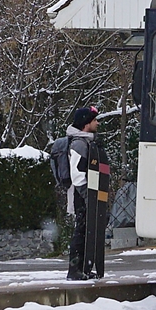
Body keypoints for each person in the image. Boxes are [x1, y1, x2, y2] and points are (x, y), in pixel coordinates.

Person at [65, 105, 99, 280]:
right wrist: (88, 197)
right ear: (86, 124)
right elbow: (77, 175)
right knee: (81, 231)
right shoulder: (79, 144)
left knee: (86, 231)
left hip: (84, 194)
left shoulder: (84, 141)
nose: (97, 123)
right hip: (81, 195)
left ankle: (83, 268)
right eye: (94, 120)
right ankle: (75, 270)